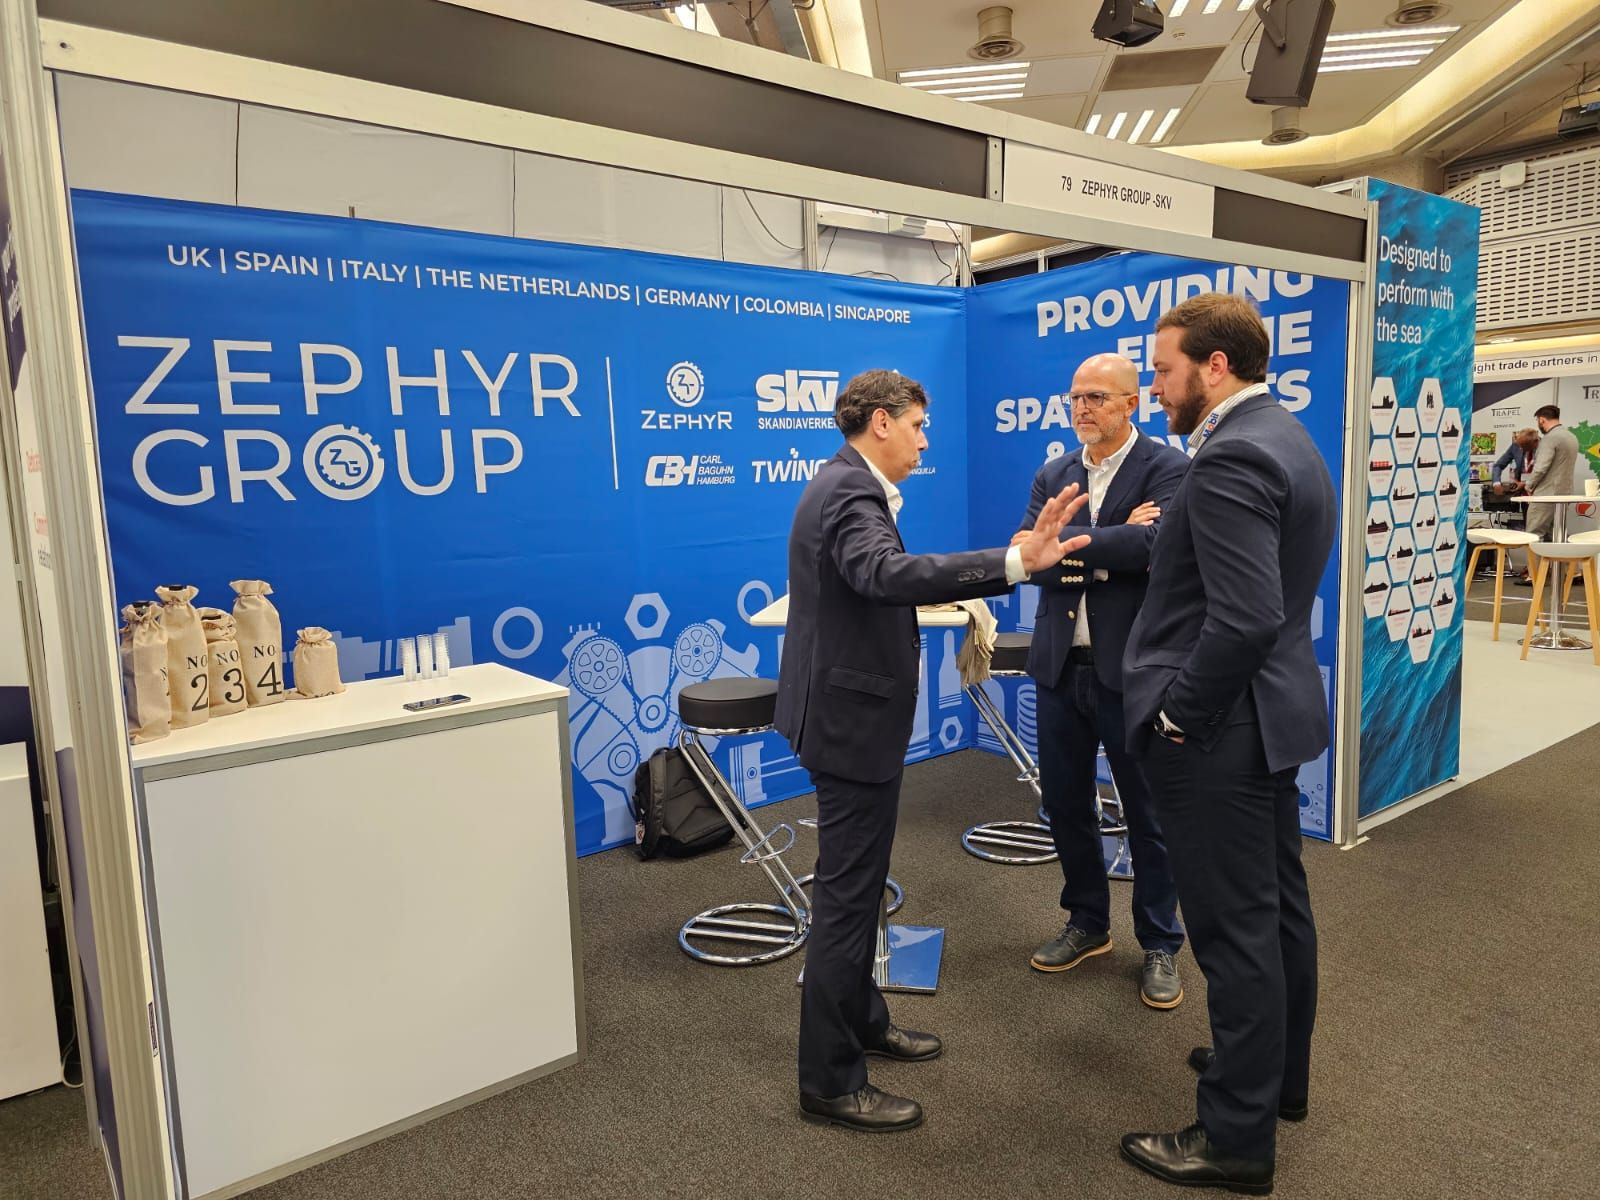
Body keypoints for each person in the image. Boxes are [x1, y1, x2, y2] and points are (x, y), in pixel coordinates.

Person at [775, 368, 1090, 1134]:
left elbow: (871, 580)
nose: (924, 438)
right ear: (880, 421)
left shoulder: (848, 484)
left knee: (860, 884)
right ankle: (828, 1081)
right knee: (848, 902)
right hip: (849, 728)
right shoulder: (851, 491)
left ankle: (866, 1022)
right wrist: (1014, 564)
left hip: (850, 720)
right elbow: (881, 576)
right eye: (917, 424)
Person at [1117, 294, 1336, 1195]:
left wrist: (1176, 717)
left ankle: (1234, 1140)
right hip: (1269, 716)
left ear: (1215, 367)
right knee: (1277, 911)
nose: (1155, 390)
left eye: (1164, 372)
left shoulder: (1233, 452)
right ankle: (1274, 1080)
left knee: (1235, 932)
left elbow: (1242, 619)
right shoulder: (1287, 435)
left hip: (1221, 730)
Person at [1012, 353, 1190, 1009]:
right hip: (1061, 669)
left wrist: (1071, 545)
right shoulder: (1054, 472)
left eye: (1097, 397)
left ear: (1131, 403)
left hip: (1134, 673)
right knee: (1065, 805)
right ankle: (1087, 921)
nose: (1082, 408)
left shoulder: (1168, 468)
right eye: (1075, 396)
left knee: (1148, 813)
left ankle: (1161, 942)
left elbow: (1159, 551)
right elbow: (1034, 562)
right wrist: (1113, 538)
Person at [1515, 405, 1580, 582]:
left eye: (1538, 421)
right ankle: (1572, 571)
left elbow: (1541, 467)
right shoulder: (1571, 437)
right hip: (1564, 493)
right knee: (1557, 533)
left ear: (1542, 419)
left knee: (1534, 533)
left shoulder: (1550, 439)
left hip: (1546, 494)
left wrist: (1528, 486)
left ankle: (1534, 576)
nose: (1539, 425)